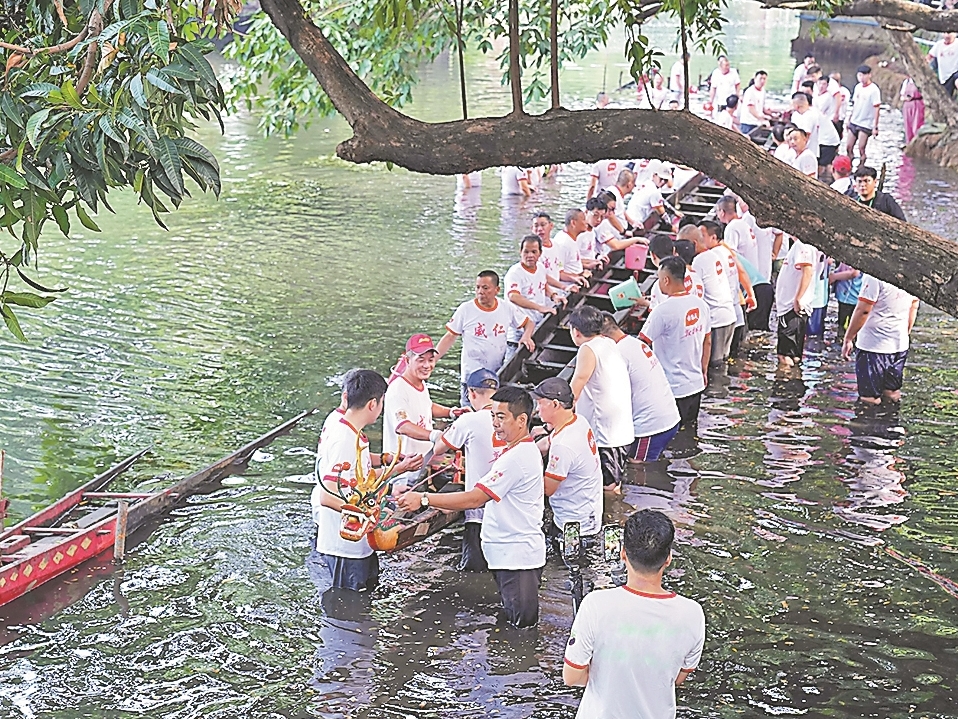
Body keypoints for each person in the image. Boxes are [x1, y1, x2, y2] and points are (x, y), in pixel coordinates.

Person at [396, 386, 546, 628]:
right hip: (507, 555)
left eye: (501, 417)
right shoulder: (514, 451)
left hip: (518, 559)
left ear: (522, 420)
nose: (495, 424)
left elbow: (476, 498)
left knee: (522, 629)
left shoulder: (517, 458)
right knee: (511, 623)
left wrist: (425, 498)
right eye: (493, 416)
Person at [563, 509, 705, 719]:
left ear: (623, 554)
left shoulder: (595, 605)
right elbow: (676, 678)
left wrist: (608, 675)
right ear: (668, 559)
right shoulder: (693, 614)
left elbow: (572, 677)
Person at [312, 369, 423, 591]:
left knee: (364, 596)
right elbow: (327, 495)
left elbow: (357, 465)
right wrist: (367, 515)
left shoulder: (342, 423)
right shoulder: (344, 438)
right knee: (348, 605)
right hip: (345, 544)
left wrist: (386, 461)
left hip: (359, 538)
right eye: (381, 403)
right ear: (373, 404)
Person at [433, 368, 504, 571]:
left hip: (479, 510)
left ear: (471, 394)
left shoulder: (468, 421)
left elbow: (439, 449)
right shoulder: (510, 418)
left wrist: (453, 427)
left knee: (473, 572)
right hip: (507, 509)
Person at [436, 270, 534, 407]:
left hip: (495, 374)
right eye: (478, 287)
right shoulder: (466, 309)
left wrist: (526, 336)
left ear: (497, 290)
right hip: (471, 375)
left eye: (485, 288)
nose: (480, 291)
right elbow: (450, 336)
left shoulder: (506, 308)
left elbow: (529, 322)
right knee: (467, 410)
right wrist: (434, 358)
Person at [567, 305, 634, 491]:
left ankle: (612, 516)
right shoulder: (608, 343)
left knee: (608, 486)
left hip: (606, 433)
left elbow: (577, 384)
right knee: (613, 481)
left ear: (576, 331)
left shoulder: (587, 349)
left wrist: (560, 419)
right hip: (621, 427)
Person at [639, 256, 712, 428]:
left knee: (670, 434)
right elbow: (707, 341)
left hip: (672, 387)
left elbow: (642, 343)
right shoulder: (701, 305)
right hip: (696, 384)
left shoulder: (662, 311)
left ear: (666, 280)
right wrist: (703, 371)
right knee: (690, 430)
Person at [601, 314, 681, 462]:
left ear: (602, 337)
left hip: (651, 427)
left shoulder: (617, 354)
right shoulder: (635, 343)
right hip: (670, 417)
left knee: (637, 467)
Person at [531, 377, 603, 537]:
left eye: (540, 403)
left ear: (555, 404)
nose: (537, 409)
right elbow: (548, 442)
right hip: (588, 510)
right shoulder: (578, 421)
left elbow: (547, 489)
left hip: (574, 524)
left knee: (567, 559)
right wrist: (527, 451)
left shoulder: (563, 446)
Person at [383, 334, 454, 487]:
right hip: (405, 470)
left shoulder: (420, 383)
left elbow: (426, 406)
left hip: (424, 460)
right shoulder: (398, 390)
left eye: (430, 360)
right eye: (420, 360)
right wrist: (435, 435)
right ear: (407, 361)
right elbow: (403, 426)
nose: (427, 365)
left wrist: (451, 412)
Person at [842, 276, 920, 405]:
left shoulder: (873, 275)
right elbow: (914, 305)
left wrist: (848, 338)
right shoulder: (912, 272)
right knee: (892, 392)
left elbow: (864, 310)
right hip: (899, 344)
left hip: (873, 346)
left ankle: (869, 423)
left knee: (870, 398)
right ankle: (891, 422)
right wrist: (905, 333)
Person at [699, 219, 754, 360]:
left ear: (713, 237)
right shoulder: (726, 251)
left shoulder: (712, 256)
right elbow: (741, 271)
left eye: (702, 235)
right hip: (734, 312)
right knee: (733, 358)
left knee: (718, 362)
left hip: (722, 315)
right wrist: (750, 294)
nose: (699, 239)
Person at [686, 224, 736, 369]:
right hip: (728, 315)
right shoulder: (713, 255)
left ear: (693, 243)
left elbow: (694, 293)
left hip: (717, 320)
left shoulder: (700, 261)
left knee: (714, 367)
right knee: (723, 363)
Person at [504, 236, 563, 345]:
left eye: (534, 252)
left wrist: (553, 295)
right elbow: (513, 296)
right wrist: (540, 308)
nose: (530, 255)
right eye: (526, 252)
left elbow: (542, 283)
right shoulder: (515, 273)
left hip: (537, 323)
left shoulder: (540, 267)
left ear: (540, 253)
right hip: (519, 329)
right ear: (520, 252)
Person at [774, 239, 816, 370]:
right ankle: (796, 382)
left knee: (785, 356)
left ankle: (787, 387)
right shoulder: (799, 246)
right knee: (794, 355)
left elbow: (807, 271)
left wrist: (798, 298)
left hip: (791, 309)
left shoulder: (802, 245)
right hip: (791, 308)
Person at [845, 65, 881, 168]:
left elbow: (877, 108)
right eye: (860, 75)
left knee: (861, 147)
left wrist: (875, 126)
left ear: (869, 75)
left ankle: (861, 165)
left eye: (864, 75)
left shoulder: (874, 90)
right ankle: (849, 166)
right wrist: (849, 119)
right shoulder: (858, 87)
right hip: (854, 120)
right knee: (849, 146)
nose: (862, 78)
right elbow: (854, 104)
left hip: (866, 123)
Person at [627, 160, 675, 231]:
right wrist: (672, 228)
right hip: (636, 222)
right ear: (654, 176)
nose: (662, 182)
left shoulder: (648, 183)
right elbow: (663, 214)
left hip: (631, 218)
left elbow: (662, 200)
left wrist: (674, 211)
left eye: (665, 180)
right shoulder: (654, 191)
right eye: (661, 179)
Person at [830, 262, 862, 340]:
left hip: (849, 296)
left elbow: (854, 273)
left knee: (845, 322)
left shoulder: (855, 257)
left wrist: (834, 276)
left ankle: (844, 339)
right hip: (851, 296)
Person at [927, 32, 958, 97]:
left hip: (955, 72)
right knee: (946, 96)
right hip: (944, 76)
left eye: (949, 33)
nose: (947, 35)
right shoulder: (939, 45)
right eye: (945, 33)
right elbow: (929, 57)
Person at [899, 76, 925, 144]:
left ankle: (916, 143)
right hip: (907, 105)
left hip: (918, 103)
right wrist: (906, 98)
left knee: (917, 124)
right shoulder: (906, 82)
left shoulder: (920, 81)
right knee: (908, 125)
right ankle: (909, 143)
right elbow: (901, 96)